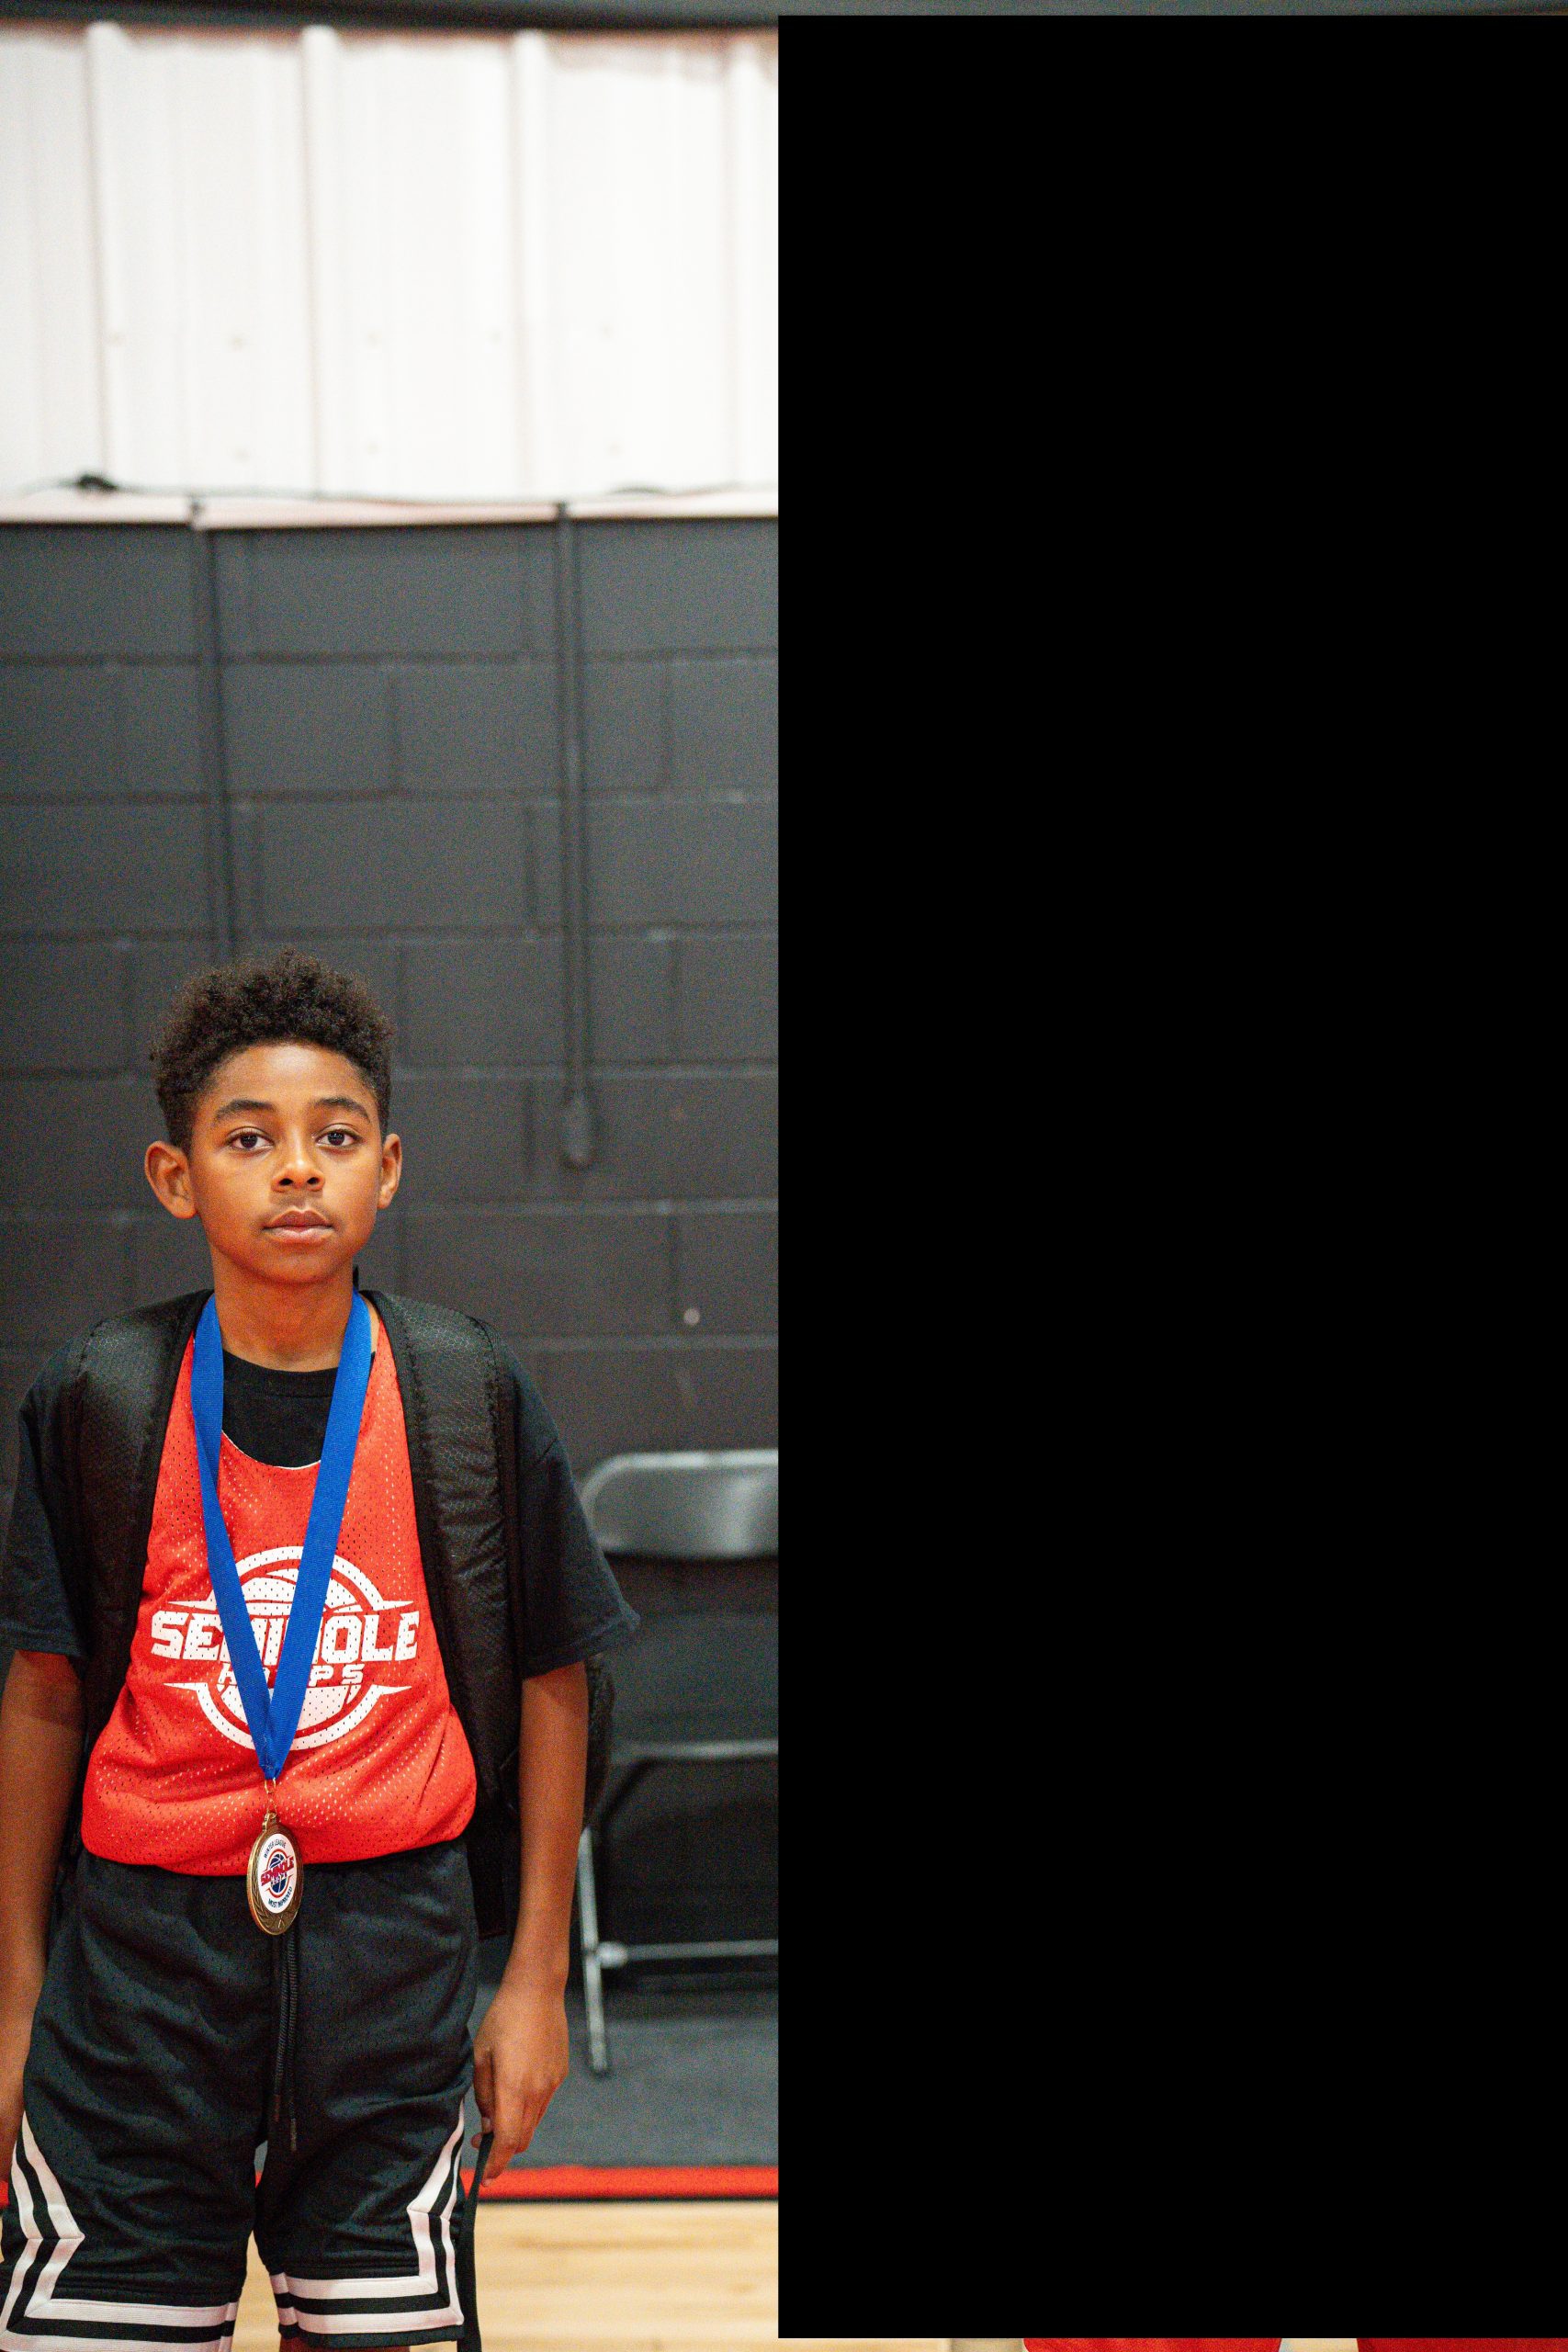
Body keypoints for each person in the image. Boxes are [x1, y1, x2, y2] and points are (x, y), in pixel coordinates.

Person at [0, 948, 638, 2352]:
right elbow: (43, 1695)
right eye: (250, 1139)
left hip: (390, 1968)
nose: (297, 1168)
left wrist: (535, 1976)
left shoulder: (463, 1387)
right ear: (176, 1176)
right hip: (137, 1977)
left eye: (335, 1136)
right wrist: (14, 2000)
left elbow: (559, 1675)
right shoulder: (100, 1396)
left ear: (387, 1167)